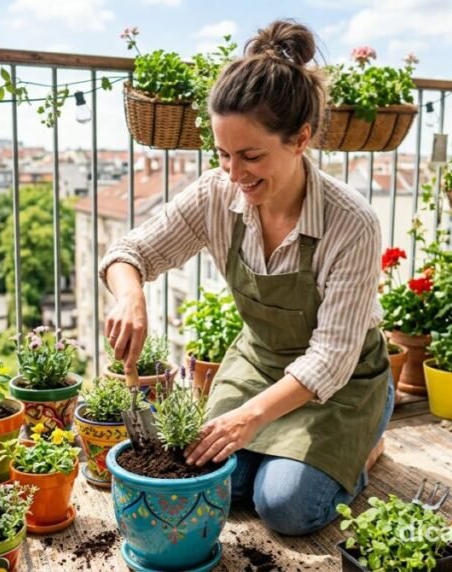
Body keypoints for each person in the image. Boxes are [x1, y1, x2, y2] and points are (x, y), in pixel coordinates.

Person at [98, 19, 394, 536]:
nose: (234, 174)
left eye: (251, 155)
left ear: (300, 138)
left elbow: (329, 359)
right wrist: (130, 295)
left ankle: (368, 442)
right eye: (223, 154)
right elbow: (130, 251)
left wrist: (248, 419)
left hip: (339, 384)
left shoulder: (351, 222)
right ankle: (279, 453)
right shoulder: (218, 194)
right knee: (209, 478)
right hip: (259, 364)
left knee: (284, 506)